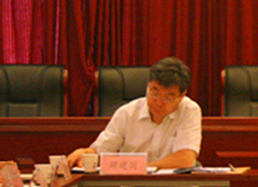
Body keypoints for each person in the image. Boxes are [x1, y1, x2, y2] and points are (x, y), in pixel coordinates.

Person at [67, 57, 201, 171]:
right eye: (154, 93)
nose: (159, 103)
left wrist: (140, 169)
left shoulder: (189, 110)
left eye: (168, 98)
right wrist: (84, 153)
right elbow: (99, 151)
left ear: (182, 96)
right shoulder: (127, 113)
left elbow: (185, 159)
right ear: (147, 86)